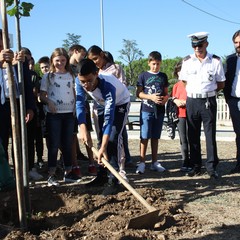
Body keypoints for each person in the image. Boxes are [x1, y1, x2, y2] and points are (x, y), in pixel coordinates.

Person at [75, 59, 130, 194]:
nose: (86, 85)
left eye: (89, 80)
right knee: (100, 138)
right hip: (100, 103)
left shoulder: (108, 86)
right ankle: (102, 175)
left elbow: (109, 118)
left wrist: (104, 146)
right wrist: (83, 129)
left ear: (96, 74)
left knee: (112, 138)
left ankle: (115, 178)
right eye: (83, 81)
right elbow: (80, 105)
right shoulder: (78, 82)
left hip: (120, 104)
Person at [179, 32, 225, 179]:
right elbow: (184, 81)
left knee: (210, 135)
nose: (197, 48)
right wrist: (196, 91)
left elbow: (221, 83)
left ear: (206, 44)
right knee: (192, 134)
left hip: (208, 101)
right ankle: (195, 166)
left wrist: (207, 92)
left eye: (199, 45)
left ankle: (211, 167)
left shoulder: (215, 61)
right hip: (192, 101)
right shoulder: (187, 61)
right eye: (194, 45)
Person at [40, 47, 81, 186]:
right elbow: (42, 95)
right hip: (54, 115)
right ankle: (51, 175)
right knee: (54, 144)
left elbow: (75, 92)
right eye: (57, 60)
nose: (60, 63)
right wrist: (49, 102)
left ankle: (68, 173)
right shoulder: (48, 76)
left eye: (63, 60)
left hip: (69, 114)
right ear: (52, 60)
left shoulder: (71, 75)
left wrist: (76, 106)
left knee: (68, 144)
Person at [87, 45, 132, 170]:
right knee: (102, 136)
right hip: (99, 107)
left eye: (96, 59)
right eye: (91, 61)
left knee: (116, 136)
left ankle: (120, 166)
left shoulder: (115, 68)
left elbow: (121, 86)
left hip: (117, 104)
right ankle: (104, 169)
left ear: (102, 55)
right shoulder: (92, 72)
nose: (95, 63)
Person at [0, 29, 35, 171]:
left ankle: (21, 172)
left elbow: (27, 85)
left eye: (4, 39)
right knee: (1, 141)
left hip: (18, 104)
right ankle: (4, 174)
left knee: (20, 140)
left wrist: (30, 107)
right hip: (1, 106)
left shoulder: (19, 59)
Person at [136, 51, 169, 174]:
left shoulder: (163, 76)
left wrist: (165, 98)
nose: (156, 66)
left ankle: (154, 162)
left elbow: (166, 92)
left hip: (159, 111)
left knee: (155, 137)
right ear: (149, 63)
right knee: (144, 136)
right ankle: (142, 162)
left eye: (158, 64)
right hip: (146, 110)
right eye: (153, 64)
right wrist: (151, 97)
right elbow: (138, 93)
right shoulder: (143, 76)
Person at [68, 44, 97, 176]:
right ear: (75, 52)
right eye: (83, 55)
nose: (84, 58)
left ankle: (92, 163)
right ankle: (75, 165)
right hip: (68, 106)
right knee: (73, 136)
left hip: (82, 104)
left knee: (87, 133)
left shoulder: (83, 67)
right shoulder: (66, 69)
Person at [224, 30, 240, 174]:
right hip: (234, 101)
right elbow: (226, 81)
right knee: (238, 133)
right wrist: (228, 100)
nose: (238, 45)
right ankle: (238, 163)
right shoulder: (230, 60)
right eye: (236, 42)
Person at [171, 61, 191, 172]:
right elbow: (173, 97)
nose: (180, 73)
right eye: (179, 71)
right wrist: (176, 101)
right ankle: (185, 160)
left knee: (191, 138)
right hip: (180, 115)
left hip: (191, 114)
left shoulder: (192, 84)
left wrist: (186, 102)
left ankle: (193, 160)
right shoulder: (176, 86)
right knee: (183, 139)